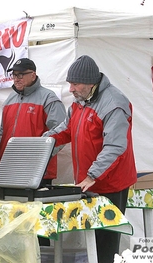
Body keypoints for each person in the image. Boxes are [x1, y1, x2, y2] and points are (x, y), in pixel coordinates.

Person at [44, 55, 137, 263]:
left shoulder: (113, 103)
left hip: (110, 184)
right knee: (93, 239)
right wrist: (43, 143)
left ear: (90, 82)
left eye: (75, 84)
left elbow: (115, 146)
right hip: (89, 183)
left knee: (106, 244)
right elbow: (66, 129)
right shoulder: (79, 102)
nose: (71, 89)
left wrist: (93, 174)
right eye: (70, 83)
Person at [0, 58, 66, 186]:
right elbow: (2, 132)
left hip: (37, 173)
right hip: (10, 170)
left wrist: (42, 158)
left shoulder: (48, 98)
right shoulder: (10, 99)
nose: (16, 78)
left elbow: (62, 133)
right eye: (14, 75)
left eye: (20, 75)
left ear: (33, 75)